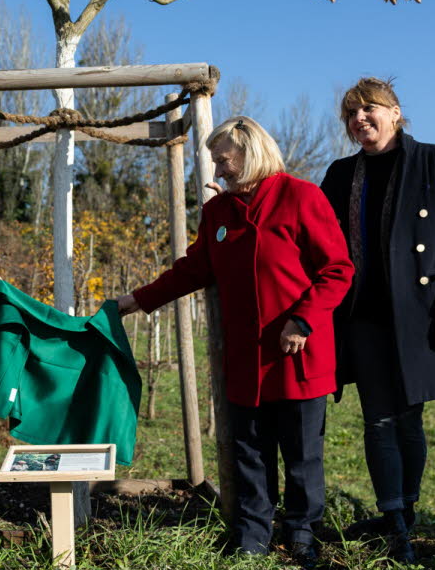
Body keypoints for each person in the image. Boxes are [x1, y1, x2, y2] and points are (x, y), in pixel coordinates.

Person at [116, 117, 353, 563]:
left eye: (223, 160)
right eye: (216, 162)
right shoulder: (218, 213)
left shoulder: (301, 197)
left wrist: (302, 321)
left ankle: (303, 533)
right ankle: (252, 535)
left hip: (297, 351)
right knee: (250, 453)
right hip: (246, 357)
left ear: (251, 152)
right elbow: (193, 270)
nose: (218, 172)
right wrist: (136, 300)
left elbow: (337, 270)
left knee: (302, 457)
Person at [319, 77, 435, 562]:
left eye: (369, 109)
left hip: (419, 317)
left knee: (410, 420)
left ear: (395, 111)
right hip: (360, 317)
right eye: (351, 114)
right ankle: (393, 521)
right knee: (379, 420)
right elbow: (314, 235)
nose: (360, 119)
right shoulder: (341, 174)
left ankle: (405, 514)